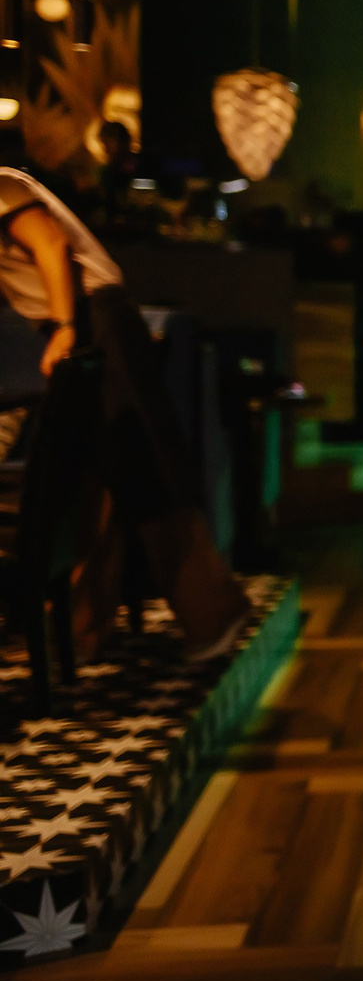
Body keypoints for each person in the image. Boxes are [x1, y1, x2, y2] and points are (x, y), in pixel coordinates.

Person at [0, 166, 251, 658]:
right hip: (87, 321)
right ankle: (82, 628)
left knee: (142, 469)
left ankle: (214, 612)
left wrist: (65, 328)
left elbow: (50, 244)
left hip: (91, 320)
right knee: (97, 479)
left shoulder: (1, 184)